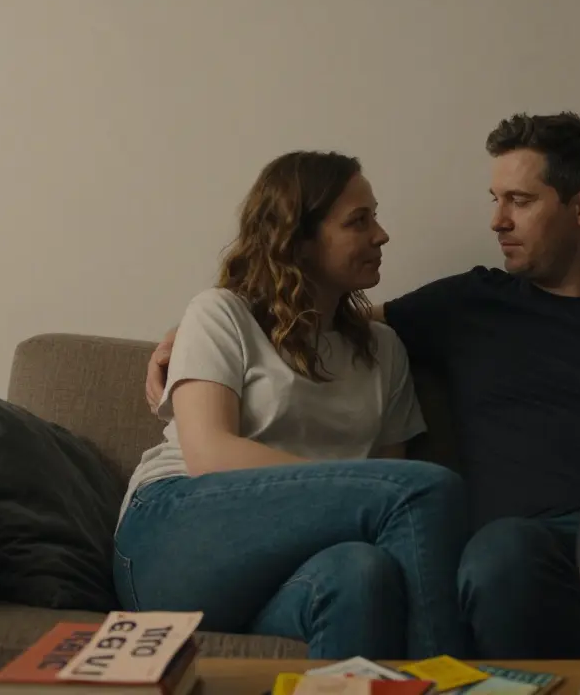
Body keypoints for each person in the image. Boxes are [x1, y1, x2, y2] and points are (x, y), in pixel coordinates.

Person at [147, 113, 580, 695]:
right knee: (496, 561)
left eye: (518, 201)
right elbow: (319, 313)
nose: (497, 220)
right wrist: (195, 333)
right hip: (528, 547)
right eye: (494, 200)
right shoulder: (466, 303)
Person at [115, 150, 470, 661]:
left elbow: (384, 498)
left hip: (289, 570)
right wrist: (351, 490)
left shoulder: (383, 349)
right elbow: (209, 455)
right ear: (298, 240)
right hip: (174, 536)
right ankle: (450, 682)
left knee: (360, 574)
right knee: (428, 489)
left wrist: (359, 497)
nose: (382, 234)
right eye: (359, 221)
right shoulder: (221, 315)